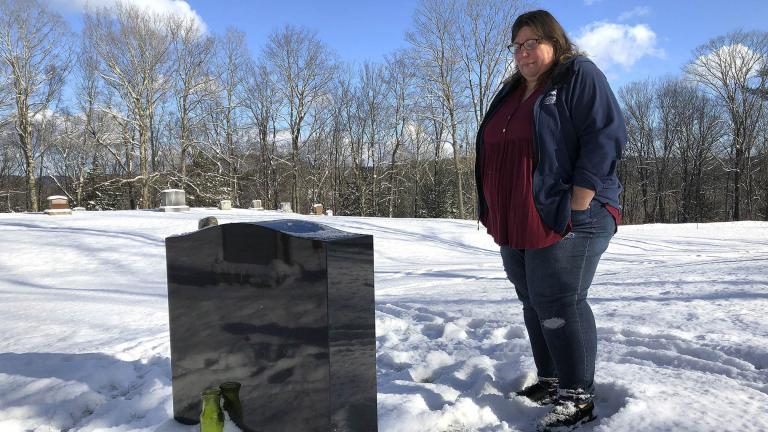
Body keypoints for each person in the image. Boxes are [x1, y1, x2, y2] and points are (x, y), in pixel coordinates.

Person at [474, 9, 626, 431]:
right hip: (519, 217)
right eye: (517, 45)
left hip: (573, 213)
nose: (523, 53)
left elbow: (606, 133)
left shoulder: (577, 75)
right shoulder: (512, 90)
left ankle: (577, 397)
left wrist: (581, 196)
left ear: (554, 43)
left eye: (532, 43)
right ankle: (553, 379)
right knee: (533, 300)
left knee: (559, 299)